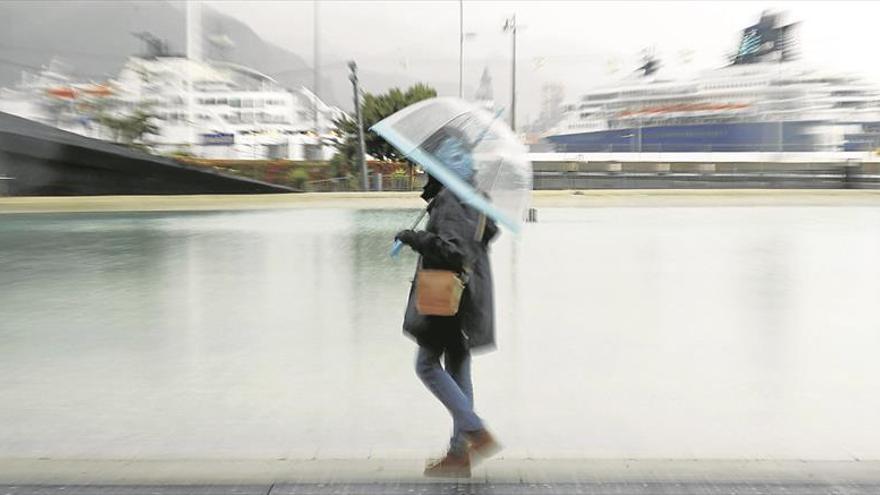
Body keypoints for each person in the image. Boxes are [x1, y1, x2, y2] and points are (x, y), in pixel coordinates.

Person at [394, 130, 501, 478]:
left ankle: (474, 430)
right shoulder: (473, 195)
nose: (424, 170)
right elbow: (481, 239)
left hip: (450, 299)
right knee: (457, 368)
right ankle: (459, 455)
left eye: (430, 163)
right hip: (470, 297)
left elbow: (453, 251)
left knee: (426, 365)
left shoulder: (452, 198)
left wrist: (416, 238)